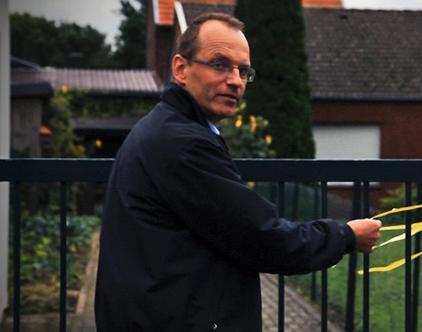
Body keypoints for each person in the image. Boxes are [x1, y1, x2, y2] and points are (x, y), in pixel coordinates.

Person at [95, 12, 381, 331]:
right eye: (219, 64)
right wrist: (345, 236)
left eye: (243, 71)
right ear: (180, 68)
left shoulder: (172, 130)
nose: (235, 80)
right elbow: (263, 238)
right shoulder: (182, 143)